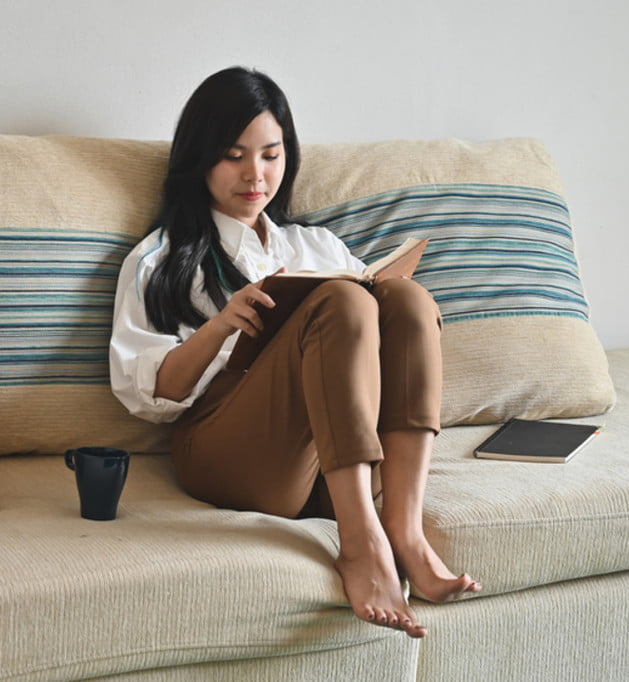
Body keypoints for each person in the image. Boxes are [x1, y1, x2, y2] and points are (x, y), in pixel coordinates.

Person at [108, 66, 481, 638]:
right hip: (226, 451)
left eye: (270, 155)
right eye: (233, 155)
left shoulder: (314, 244)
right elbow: (149, 394)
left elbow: (380, 342)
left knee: (402, 297)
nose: (255, 174)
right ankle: (360, 545)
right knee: (342, 303)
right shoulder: (161, 259)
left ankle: (403, 531)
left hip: (324, 466)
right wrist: (221, 327)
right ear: (200, 158)